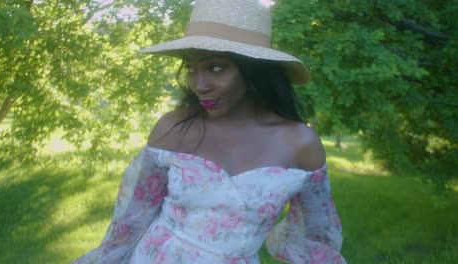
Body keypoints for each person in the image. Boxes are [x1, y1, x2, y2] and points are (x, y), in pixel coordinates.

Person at [74, 0, 346, 263]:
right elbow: (131, 220)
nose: (199, 85)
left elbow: (317, 238)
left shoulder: (301, 145)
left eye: (216, 67)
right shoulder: (173, 130)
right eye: (192, 69)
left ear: (254, 71)